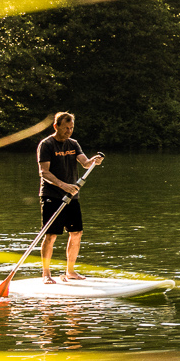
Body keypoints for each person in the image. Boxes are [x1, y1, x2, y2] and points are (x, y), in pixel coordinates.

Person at [36, 111, 103, 282]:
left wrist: (93, 161)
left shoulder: (73, 144)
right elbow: (44, 172)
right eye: (66, 128)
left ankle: (70, 272)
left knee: (76, 232)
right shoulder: (46, 145)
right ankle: (46, 274)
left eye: (71, 128)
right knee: (51, 235)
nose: (69, 131)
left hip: (71, 196)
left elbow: (85, 162)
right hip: (52, 195)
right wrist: (63, 185)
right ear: (56, 126)